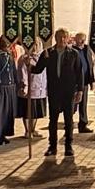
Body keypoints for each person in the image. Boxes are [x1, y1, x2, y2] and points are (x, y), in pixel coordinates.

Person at [29, 29, 83, 157]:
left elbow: (79, 73)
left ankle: (68, 146)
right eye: (59, 37)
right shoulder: (48, 53)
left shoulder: (73, 53)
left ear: (68, 38)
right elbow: (38, 69)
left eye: (64, 37)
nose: (62, 39)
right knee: (53, 119)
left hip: (68, 91)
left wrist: (80, 90)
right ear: (55, 38)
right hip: (54, 91)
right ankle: (52, 146)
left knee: (68, 119)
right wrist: (29, 65)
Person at [18, 39, 48, 139]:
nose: (36, 47)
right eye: (33, 45)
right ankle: (27, 130)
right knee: (27, 112)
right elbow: (23, 73)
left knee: (36, 112)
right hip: (30, 89)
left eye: (37, 44)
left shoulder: (43, 57)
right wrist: (24, 86)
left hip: (41, 89)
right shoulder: (25, 58)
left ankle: (33, 129)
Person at [72, 32, 95, 134]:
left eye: (83, 39)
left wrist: (92, 80)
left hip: (85, 80)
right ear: (75, 39)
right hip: (74, 82)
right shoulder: (71, 50)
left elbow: (90, 64)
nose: (82, 41)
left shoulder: (87, 49)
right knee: (73, 104)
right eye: (80, 39)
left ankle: (83, 124)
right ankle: (69, 124)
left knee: (83, 104)